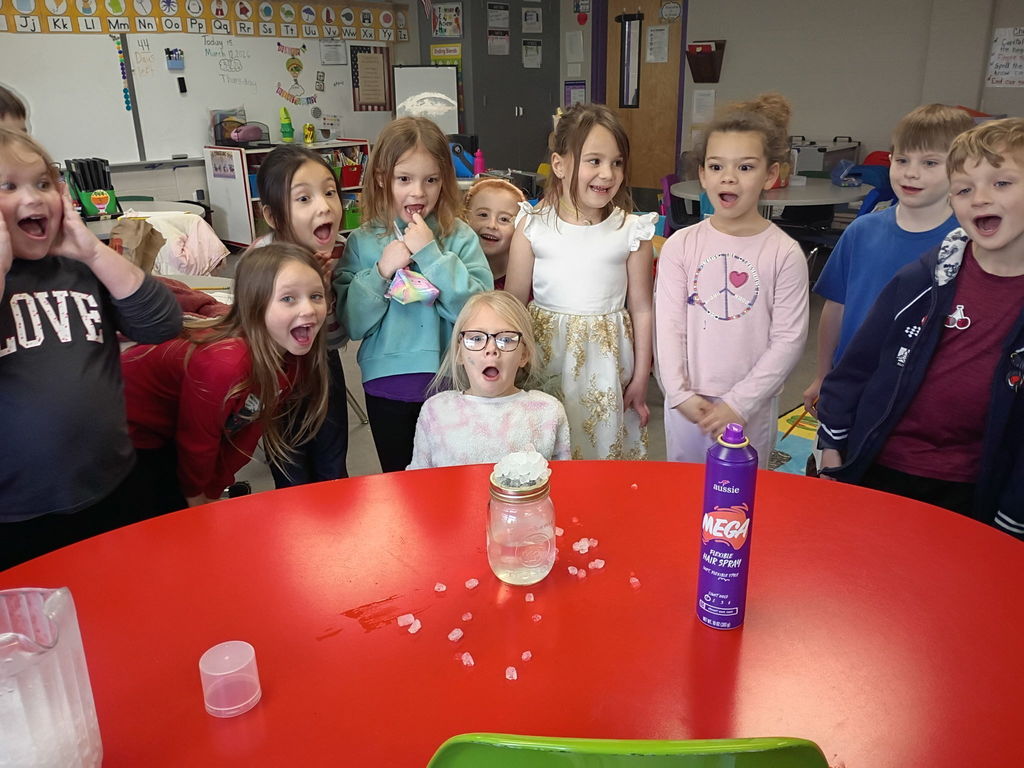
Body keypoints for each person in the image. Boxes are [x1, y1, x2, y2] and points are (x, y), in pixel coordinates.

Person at [817, 117, 1024, 538]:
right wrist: (832, 444)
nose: (979, 198)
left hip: (974, 485)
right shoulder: (923, 278)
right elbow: (856, 365)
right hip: (883, 463)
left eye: (1001, 183)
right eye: (964, 189)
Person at [0, 128, 181, 568]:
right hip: (17, 516)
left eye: (43, 183)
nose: (34, 199)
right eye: (9, 186)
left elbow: (162, 324)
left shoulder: (78, 269)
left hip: (110, 485)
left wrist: (94, 253)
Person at [654, 93, 809, 467]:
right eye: (717, 166)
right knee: (684, 495)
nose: (729, 177)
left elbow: (788, 339)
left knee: (740, 502)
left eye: (745, 167)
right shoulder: (681, 245)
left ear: (770, 175)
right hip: (689, 405)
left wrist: (739, 404)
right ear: (703, 174)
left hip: (750, 406)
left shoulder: (784, 253)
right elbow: (668, 328)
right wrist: (678, 394)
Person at [121, 243, 328, 515]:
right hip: (125, 426)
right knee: (160, 516)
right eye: (288, 298)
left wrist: (215, 489)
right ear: (254, 306)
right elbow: (197, 443)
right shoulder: (226, 364)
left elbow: (247, 430)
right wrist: (198, 499)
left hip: (175, 427)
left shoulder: (291, 357)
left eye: (316, 296)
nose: (310, 310)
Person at [336, 116, 492, 472]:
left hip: (451, 383)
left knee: (452, 484)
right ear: (382, 179)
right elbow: (353, 323)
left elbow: (480, 313)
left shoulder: (460, 237)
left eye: (431, 180)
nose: (418, 192)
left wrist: (431, 256)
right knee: (399, 486)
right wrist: (380, 271)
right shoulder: (363, 241)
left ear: (444, 182)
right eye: (404, 179)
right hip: (386, 387)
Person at [802, 104, 974, 414]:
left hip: (925, 394)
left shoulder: (970, 241)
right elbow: (836, 307)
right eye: (903, 159)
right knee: (834, 458)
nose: (911, 172)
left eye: (930, 162)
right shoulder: (861, 230)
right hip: (852, 384)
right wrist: (823, 375)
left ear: (961, 168)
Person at [506, 103, 655, 460]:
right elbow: (511, 303)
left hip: (606, 364)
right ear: (559, 165)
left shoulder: (632, 231)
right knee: (547, 449)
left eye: (616, 163)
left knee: (601, 450)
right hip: (546, 359)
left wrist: (641, 377)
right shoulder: (533, 224)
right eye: (594, 160)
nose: (607, 173)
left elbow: (643, 309)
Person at [253, 144, 349, 487]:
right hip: (276, 374)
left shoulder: (338, 253)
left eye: (329, 191)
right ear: (273, 216)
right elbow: (251, 337)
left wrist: (325, 297)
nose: (324, 206)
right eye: (303, 198)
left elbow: (338, 337)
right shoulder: (260, 263)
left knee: (333, 470)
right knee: (291, 478)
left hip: (324, 369)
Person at [408, 290, 570, 468]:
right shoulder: (436, 411)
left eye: (506, 339)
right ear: (459, 352)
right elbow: (419, 480)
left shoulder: (548, 411)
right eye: (477, 338)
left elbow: (564, 483)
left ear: (524, 354)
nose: (491, 348)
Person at [462, 177, 526, 290]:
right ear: (465, 217)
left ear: (520, 227)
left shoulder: (530, 281)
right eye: (483, 215)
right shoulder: (454, 271)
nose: (492, 225)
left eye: (504, 219)